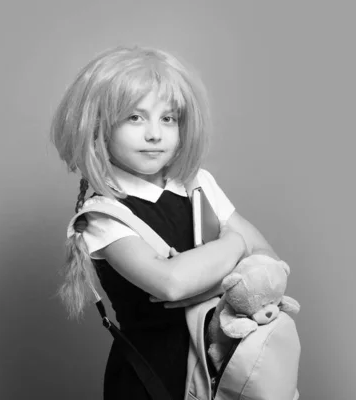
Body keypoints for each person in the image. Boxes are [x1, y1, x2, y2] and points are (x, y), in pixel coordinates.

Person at [50, 46, 279, 399]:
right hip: (155, 375)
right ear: (96, 126)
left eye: (168, 118)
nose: (155, 134)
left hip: (223, 366)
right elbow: (171, 284)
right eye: (135, 118)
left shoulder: (196, 183)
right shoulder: (103, 213)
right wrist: (235, 245)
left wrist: (206, 286)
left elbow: (267, 261)